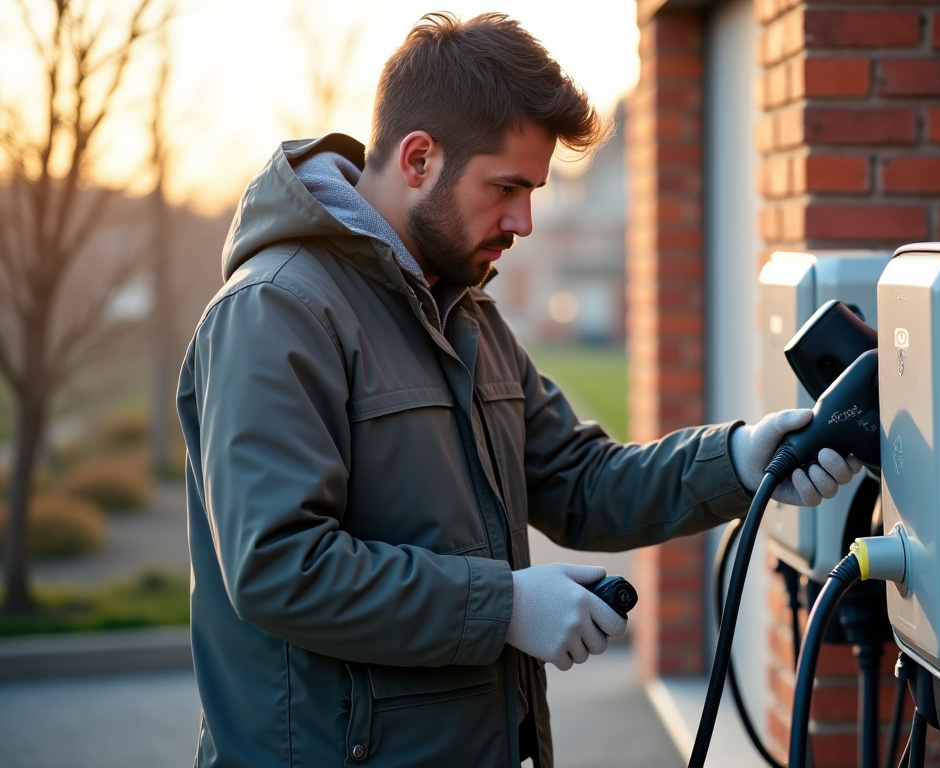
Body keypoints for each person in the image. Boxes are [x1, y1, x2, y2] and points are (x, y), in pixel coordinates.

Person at [177, 12, 862, 768]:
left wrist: (735, 459)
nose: (525, 221)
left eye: (533, 190)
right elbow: (280, 568)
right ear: (417, 159)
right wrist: (504, 606)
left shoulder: (466, 312)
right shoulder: (275, 312)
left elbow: (577, 479)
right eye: (506, 187)